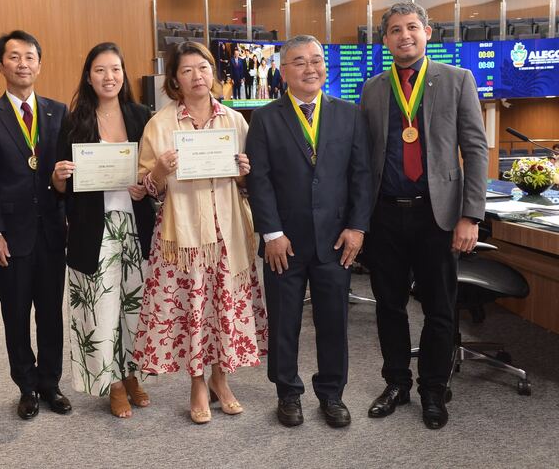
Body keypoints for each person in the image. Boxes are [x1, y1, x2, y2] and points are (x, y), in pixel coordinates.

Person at [359, 2, 488, 430]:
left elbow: (475, 149)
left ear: (427, 32)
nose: (404, 36)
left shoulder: (457, 79)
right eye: (395, 30)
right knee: (389, 306)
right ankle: (396, 383)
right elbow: (365, 158)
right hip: (385, 216)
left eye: (412, 27)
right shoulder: (373, 89)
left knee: (439, 308)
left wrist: (470, 216)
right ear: (385, 40)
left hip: (439, 216)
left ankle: (433, 388)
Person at [132, 41, 267, 425]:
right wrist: (160, 170)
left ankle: (220, 380)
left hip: (228, 232)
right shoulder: (160, 124)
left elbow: (249, 185)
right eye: (187, 70)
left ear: (213, 73)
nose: (197, 76)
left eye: (203, 68)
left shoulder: (235, 121)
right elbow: (146, 189)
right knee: (193, 310)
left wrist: (243, 173)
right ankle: (196, 383)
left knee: (224, 308)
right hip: (184, 235)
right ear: (175, 79)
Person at [246, 35, 372, 429]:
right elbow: (259, 181)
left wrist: (357, 227)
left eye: (316, 60)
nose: (310, 68)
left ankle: (332, 394)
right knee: (284, 322)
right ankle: (287, 393)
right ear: (284, 72)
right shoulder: (265, 118)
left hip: (336, 241)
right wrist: (271, 234)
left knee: (333, 322)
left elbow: (361, 176)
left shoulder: (349, 114)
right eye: (299, 62)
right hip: (284, 243)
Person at [0, 30, 71, 421]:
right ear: (0, 65)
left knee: (51, 313)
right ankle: (26, 387)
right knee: (15, 314)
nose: (23, 64)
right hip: (10, 236)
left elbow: (68, 173)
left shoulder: (58, 112)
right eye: (14, 57)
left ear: (39, 65)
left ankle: (51, 383)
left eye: (30, 57)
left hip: (51, 230)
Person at [52, 42, 156, 418]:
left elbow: (153, 173)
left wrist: (145, 186)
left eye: (115, 69)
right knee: (100, 310)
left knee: (135, 307)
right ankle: (111, 384)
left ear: (123, 74)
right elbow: (59, 186)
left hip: (135, 226)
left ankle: (131, 375)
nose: (109, 77)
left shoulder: (141, 116)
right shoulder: (74, 120)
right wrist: (59, 176)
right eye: (100, 70)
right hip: (92, 229)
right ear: (88, 76)